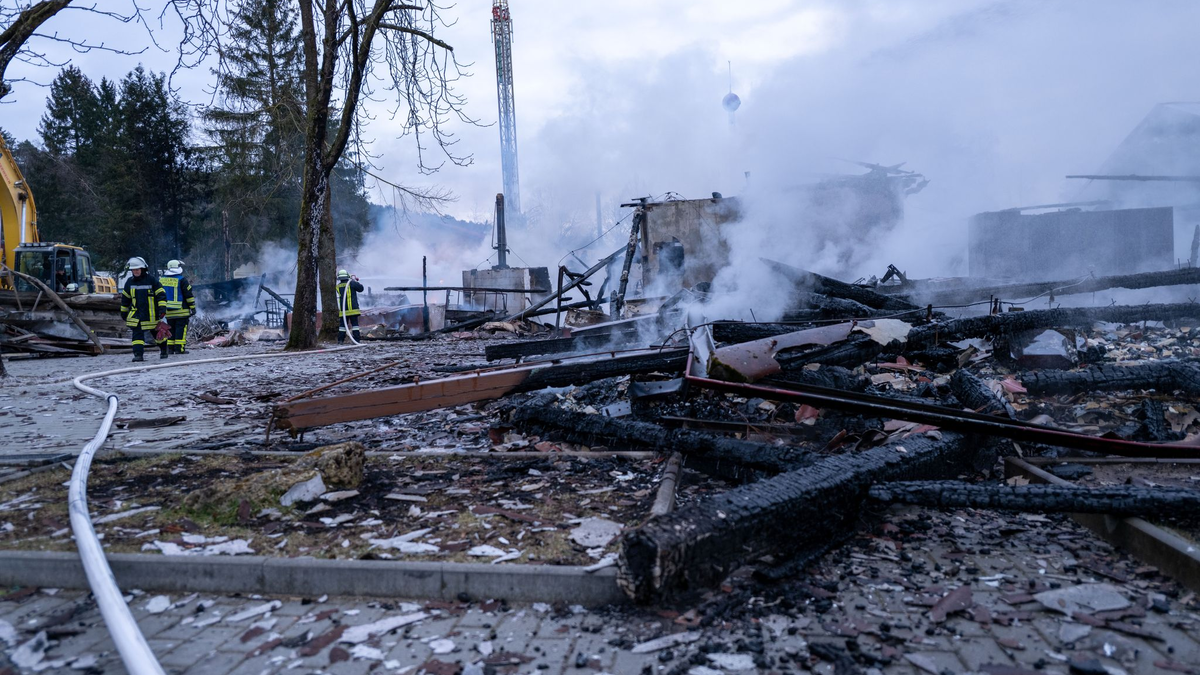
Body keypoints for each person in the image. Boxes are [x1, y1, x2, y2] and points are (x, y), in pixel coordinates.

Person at [120, 257, 167, 362]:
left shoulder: (152, 280)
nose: (135, 272)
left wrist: (162, 309)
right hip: (136, 315)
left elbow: (161, 295)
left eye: (137, 269)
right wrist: (123, 311)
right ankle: (138, 355)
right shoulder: (129, 282)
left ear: (143, 269)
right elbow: (125, 299)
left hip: (152, 314)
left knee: (157, 335)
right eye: (133, 270)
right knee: (137, 335)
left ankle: (164, 350)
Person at [160, 259, 197, 354]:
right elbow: (188, 295)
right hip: (181, 311)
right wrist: (192, 307)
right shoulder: (182, 280)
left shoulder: (162, 280)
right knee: (181, 330)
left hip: (168, 312)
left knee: (171, 330)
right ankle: (179, 349)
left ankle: (170, 349)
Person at [336, 269, 364, 344]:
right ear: (347, 276)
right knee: (355, 326)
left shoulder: (338, 286)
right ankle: (356, 340)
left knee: (342, 327)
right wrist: (355, 281)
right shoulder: (351, 283)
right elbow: (361, 289)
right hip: (353, 310)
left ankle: (340, 340)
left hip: (343, 311)